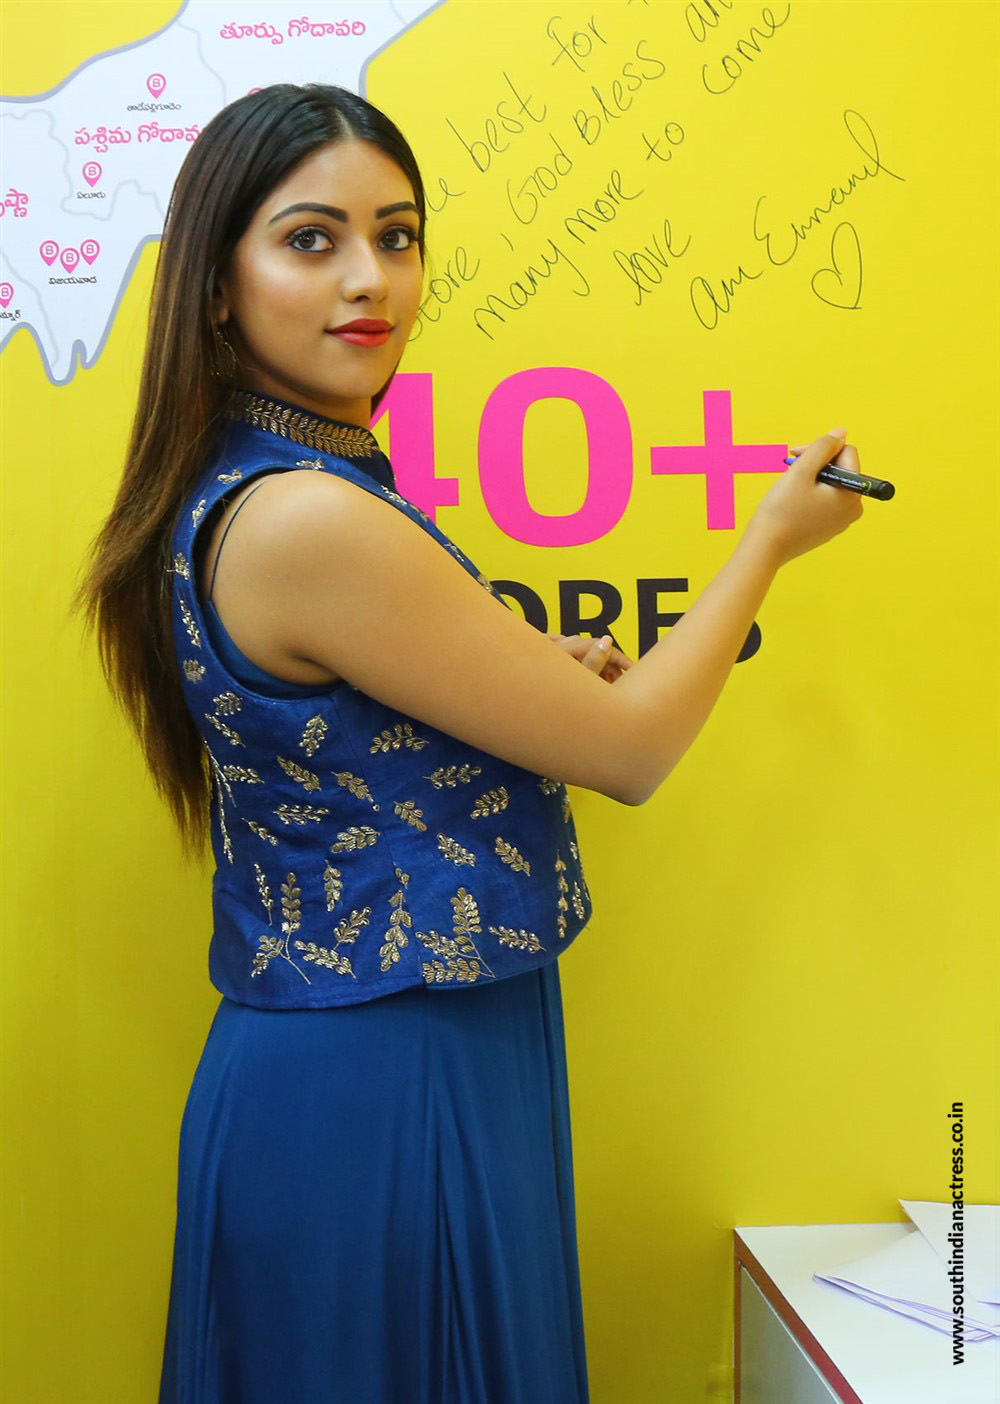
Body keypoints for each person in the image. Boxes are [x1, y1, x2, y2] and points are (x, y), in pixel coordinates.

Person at [77, 82, 863, 1404]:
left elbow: (341, 741)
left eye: (397, 236)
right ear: (217, 286)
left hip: (416, 1048)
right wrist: (770, 542)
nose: (369, 279)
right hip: (384, 1079)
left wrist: (526, 686)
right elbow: (632, 753)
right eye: (312, 239)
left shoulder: (277, 486)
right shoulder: (306, 517)